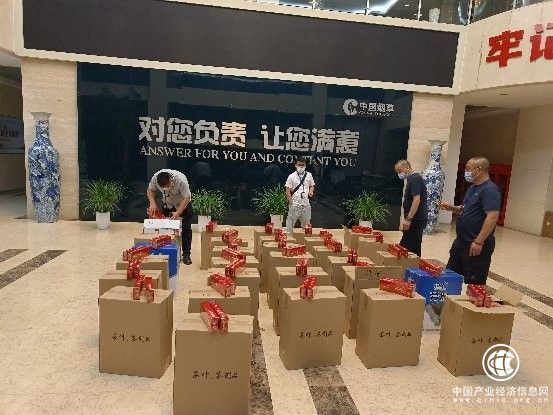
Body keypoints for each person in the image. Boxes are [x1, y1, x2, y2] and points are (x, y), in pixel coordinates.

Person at [440, 157, 501, 285]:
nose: (466, 172)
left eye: (468, 169)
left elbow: (492, 216)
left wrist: (478, 241)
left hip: (475, 243)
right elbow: (466, 209)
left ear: (479, 170)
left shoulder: (490, 190)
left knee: (473, 281)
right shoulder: (472, 188)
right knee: (451, 276)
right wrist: (451, 207)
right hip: (461, 241)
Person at [146, 169, 193, 265]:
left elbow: (187, 198)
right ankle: (168, 252)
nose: (166, 189)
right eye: (163, 188)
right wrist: (152, 203)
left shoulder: (181, 180)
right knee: (166, 228)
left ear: (171, 179)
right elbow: (150, 190)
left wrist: (178, 213)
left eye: (168, 186)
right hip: (168, 204)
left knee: (186, 229)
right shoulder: (156, 177)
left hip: (183, 204)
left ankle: (186, 254)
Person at [395, 160, 428, 257]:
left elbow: (416, 200)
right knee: (413, 246)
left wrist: (409, 219)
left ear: (407, 167)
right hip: (415, 219)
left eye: (399, 171)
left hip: (416, 219)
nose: (399, 174)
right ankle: (413, 264)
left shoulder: (415, 179)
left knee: (408, 247)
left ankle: (410, 264)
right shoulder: (412, 179)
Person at [285, 157, 315, 233]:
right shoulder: (291, 176)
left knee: (307, 227)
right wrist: (291, 202)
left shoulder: (309, 175)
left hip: (306, 205)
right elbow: (287, 190)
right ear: (296, 165)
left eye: (303, 165)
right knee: (289, 227)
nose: (301, 166)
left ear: (305, 165)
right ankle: (288, 237)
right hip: (295, 204)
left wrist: (311, 191)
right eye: (299, 165)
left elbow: (312, 185)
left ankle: (305, 239)